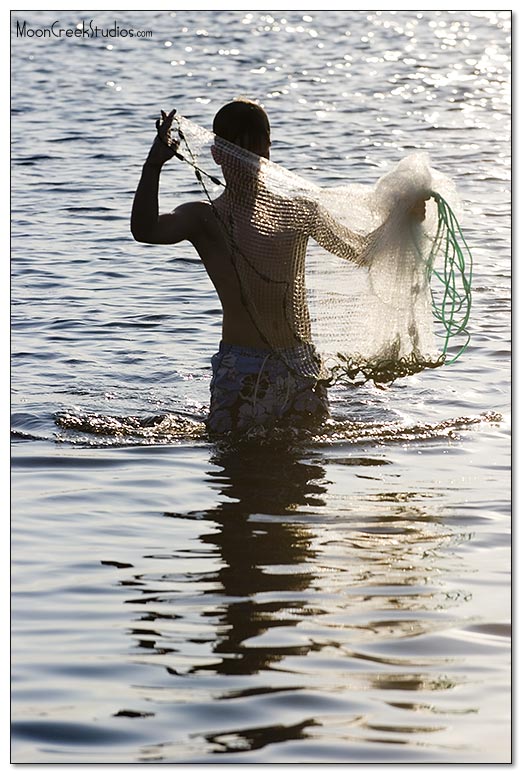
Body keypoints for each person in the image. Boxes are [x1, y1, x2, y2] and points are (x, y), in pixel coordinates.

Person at [131, 99, 425, 435]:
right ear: (217, 153)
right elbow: (146, 231)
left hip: (300, 365)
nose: (248, 161)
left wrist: (404, 217)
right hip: (242, 366)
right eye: (238, 149)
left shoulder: (300, 210)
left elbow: (362, 252)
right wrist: (153, 166)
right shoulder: (204, 217)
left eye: (255, 150)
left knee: (305, 476)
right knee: (238, 471)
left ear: (268, 154)